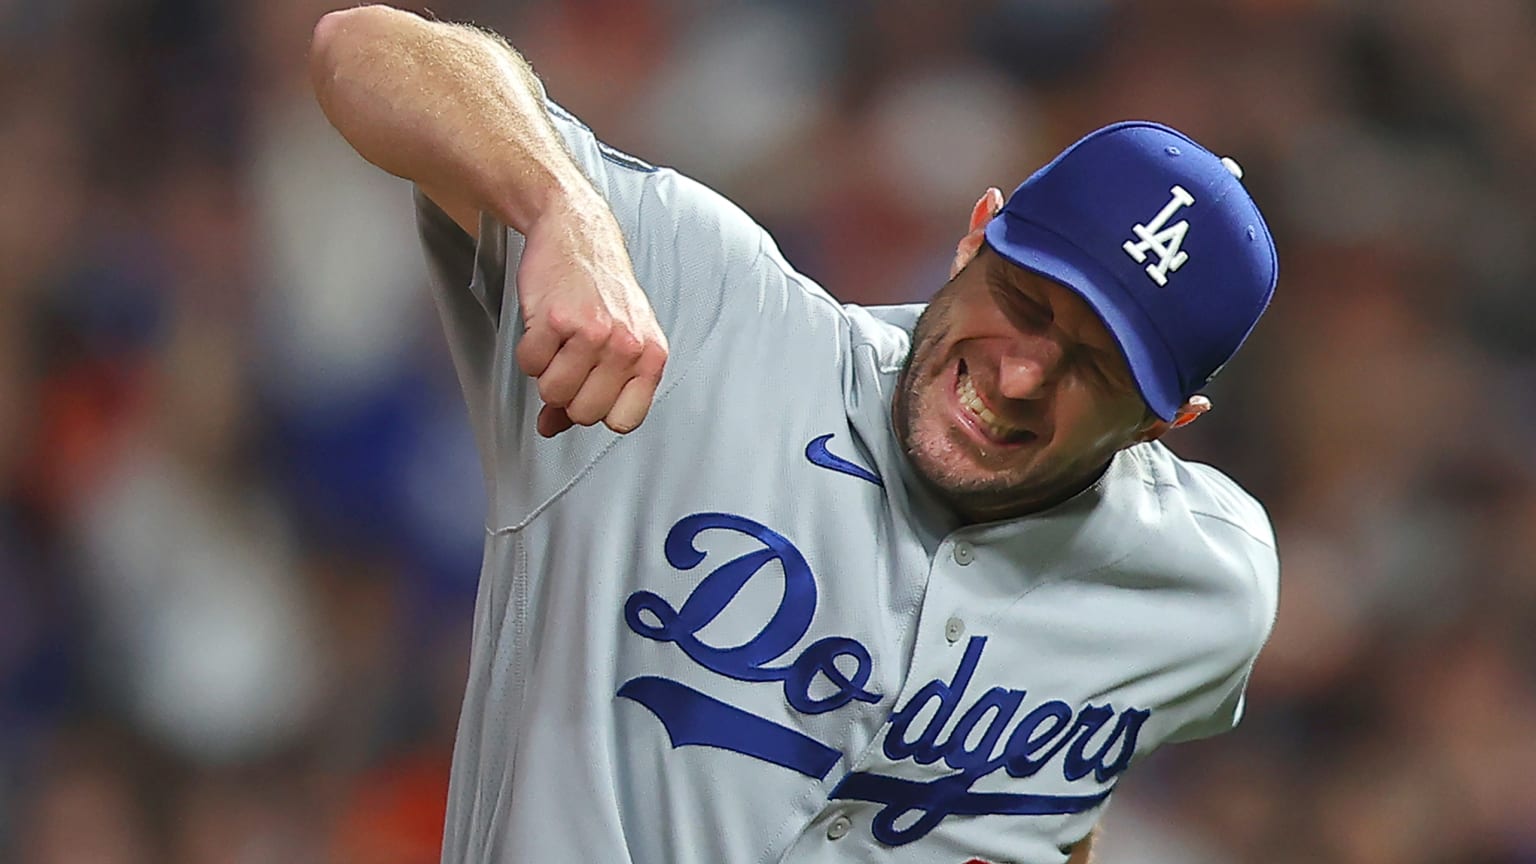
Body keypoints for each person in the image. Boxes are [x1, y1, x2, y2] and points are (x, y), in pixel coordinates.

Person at [309, 6, 1279, 863]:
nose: (1023, 372)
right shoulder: (712, 319)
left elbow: (1078, 787)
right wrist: (561, 204)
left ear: (1164, 422)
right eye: (1025, 301)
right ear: (975, 235)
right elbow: (365, 50)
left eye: (1096, 368)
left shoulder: (1207, 587)